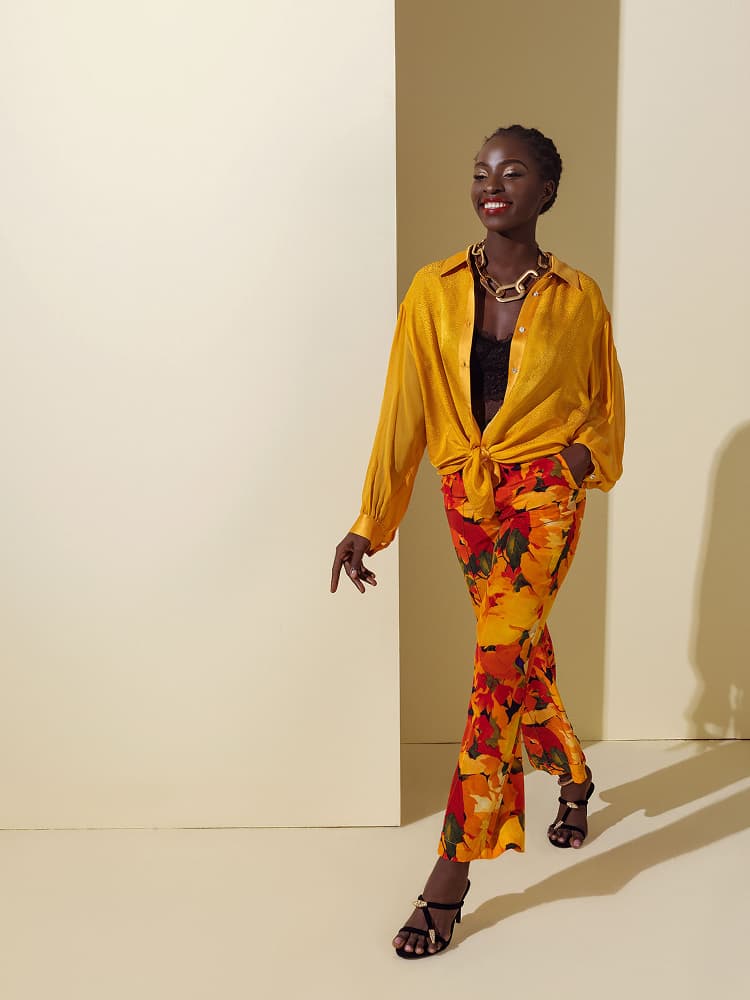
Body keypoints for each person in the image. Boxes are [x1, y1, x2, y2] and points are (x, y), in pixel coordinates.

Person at [330, 124, 625, 960]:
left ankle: (451, 874)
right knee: (519, 652)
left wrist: (573, 464)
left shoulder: (578, 297)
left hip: (544, 503)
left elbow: (606, 408)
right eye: (482, 172)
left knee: (496, 664)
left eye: (513, 172)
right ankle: (574, 775)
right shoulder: (431, 291)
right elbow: (404, 409)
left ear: (546, 190)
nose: (492, 185)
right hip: (468, 498)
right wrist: (371, 520)